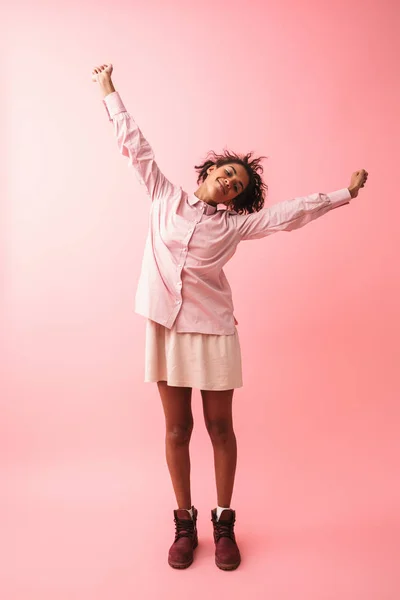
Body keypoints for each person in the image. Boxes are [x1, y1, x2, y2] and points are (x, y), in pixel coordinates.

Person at [92, 63, 368, 571]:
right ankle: (183, 524)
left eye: (237, 184)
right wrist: (110, 92)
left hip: (213, 332)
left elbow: (288, 214)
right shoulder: (164, 197)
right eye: (226, 173)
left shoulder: (236, 228)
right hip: (165, 328)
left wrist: (342, 195)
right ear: (207, 173)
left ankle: (224, 524)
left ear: (238, 198)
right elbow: (137, 148)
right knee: (177, 430)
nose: (229, 182)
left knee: (220, 428)